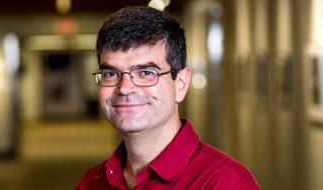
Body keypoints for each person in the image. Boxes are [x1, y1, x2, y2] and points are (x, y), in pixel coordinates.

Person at [76, 6, 260, 190]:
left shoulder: (225, 183)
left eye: (146, 72)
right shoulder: (92, 182)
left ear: (181, 83)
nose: (124, 88)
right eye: (111, 74)